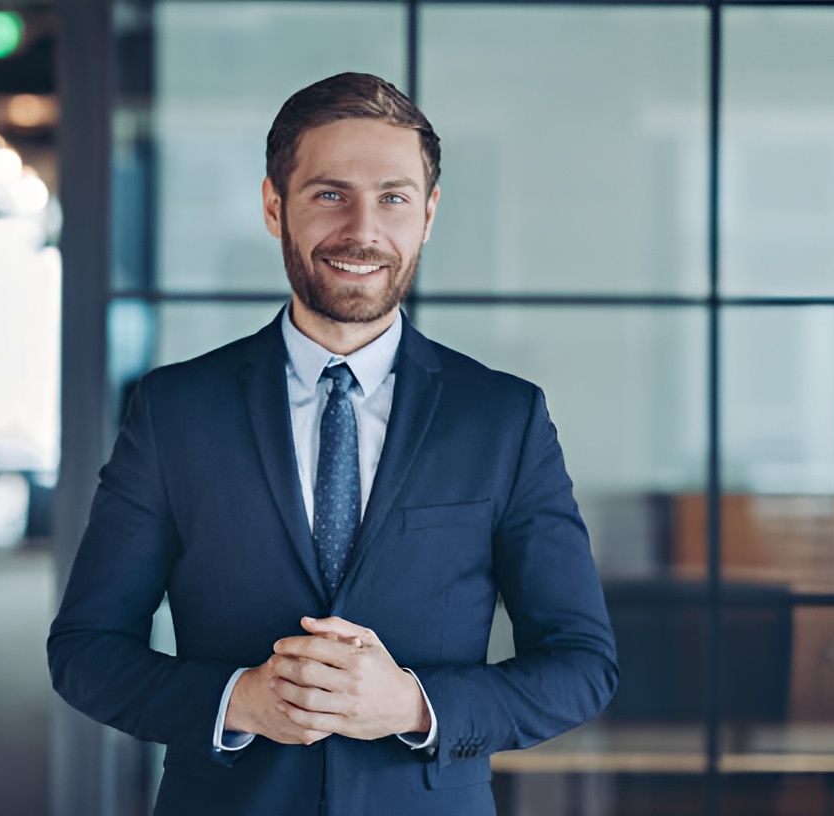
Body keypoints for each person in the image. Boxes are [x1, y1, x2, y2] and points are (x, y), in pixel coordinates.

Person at [48, 72, 617, 816]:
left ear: (429, 213)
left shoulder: (503, 419)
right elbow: (86, 649)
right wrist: (238, 702)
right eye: (329, 194)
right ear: (273, 205)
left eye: (393, 197)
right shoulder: (175, 410)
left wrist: (415, 706)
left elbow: (582, 666)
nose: (363, 230)